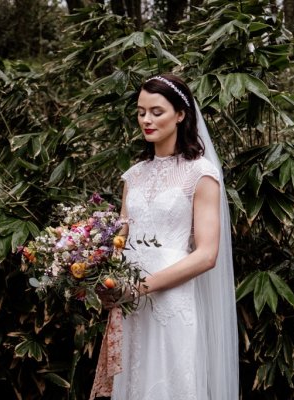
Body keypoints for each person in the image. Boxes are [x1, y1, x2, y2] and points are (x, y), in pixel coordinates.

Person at [91, 74, 238, 400]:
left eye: (156, 112)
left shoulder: (200, 173)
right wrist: (107, 280)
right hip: (129, 304)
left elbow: (206, 254)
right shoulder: (134, 175)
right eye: (141, 111)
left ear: (181, 114)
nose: (146, 119)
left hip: (171, 299)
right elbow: (120, 239)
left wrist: (142, 287)